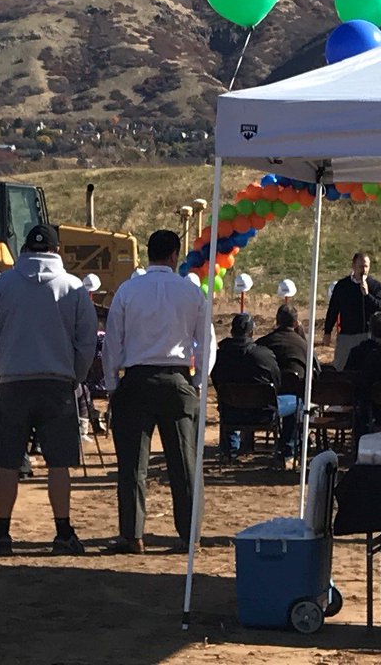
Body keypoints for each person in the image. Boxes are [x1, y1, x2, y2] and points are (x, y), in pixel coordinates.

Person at [0, 223, 98, 555]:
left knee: (7, 461)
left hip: (14, 382)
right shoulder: (72, 287)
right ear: (56, 251)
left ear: (26, 249)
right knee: (58, 463)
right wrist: (76, 375)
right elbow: (87, 341)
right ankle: (63, 532)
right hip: (57, 384)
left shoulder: (3, 286)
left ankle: (1, 532)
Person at [103, 229, 213, 554]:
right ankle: (189, 535)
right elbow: (206, 342)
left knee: (132, 465)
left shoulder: (127, 290)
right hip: (177, 380)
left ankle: (132, 533)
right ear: (175, 255)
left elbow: (112, 342)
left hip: (136, 380)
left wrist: (112, 384)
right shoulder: (190, 292)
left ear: (149, 254)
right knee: (185, 464)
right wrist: (197, 382)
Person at [210, 313, 280, 457]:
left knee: (228, 399)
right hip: (263, 414)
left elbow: (217, 382)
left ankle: (230, 449)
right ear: (251, 332)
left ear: (231, 331)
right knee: (296, 403)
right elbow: (277, 382)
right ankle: (286, 450)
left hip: (230, 413)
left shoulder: (219, 356)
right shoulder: (264, 355)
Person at [256, 303, 310, 462]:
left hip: (264, 400)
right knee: (298, 401)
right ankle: (289, 448)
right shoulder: (304, 346)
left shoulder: (263, 343)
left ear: (276, 321)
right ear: (296, 323)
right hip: (293, 398)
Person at [324, 252, 381, 370]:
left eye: (366, 266)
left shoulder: (375, 286)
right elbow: (333, 309)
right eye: (361, 266)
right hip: (347, 335)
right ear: (353, 266)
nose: (364, 270)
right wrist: (327, 331)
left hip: (368, 336)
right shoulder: (342, 286)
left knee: (366, 369)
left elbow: (380, 307)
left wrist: (367, 295)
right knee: (340, 369)